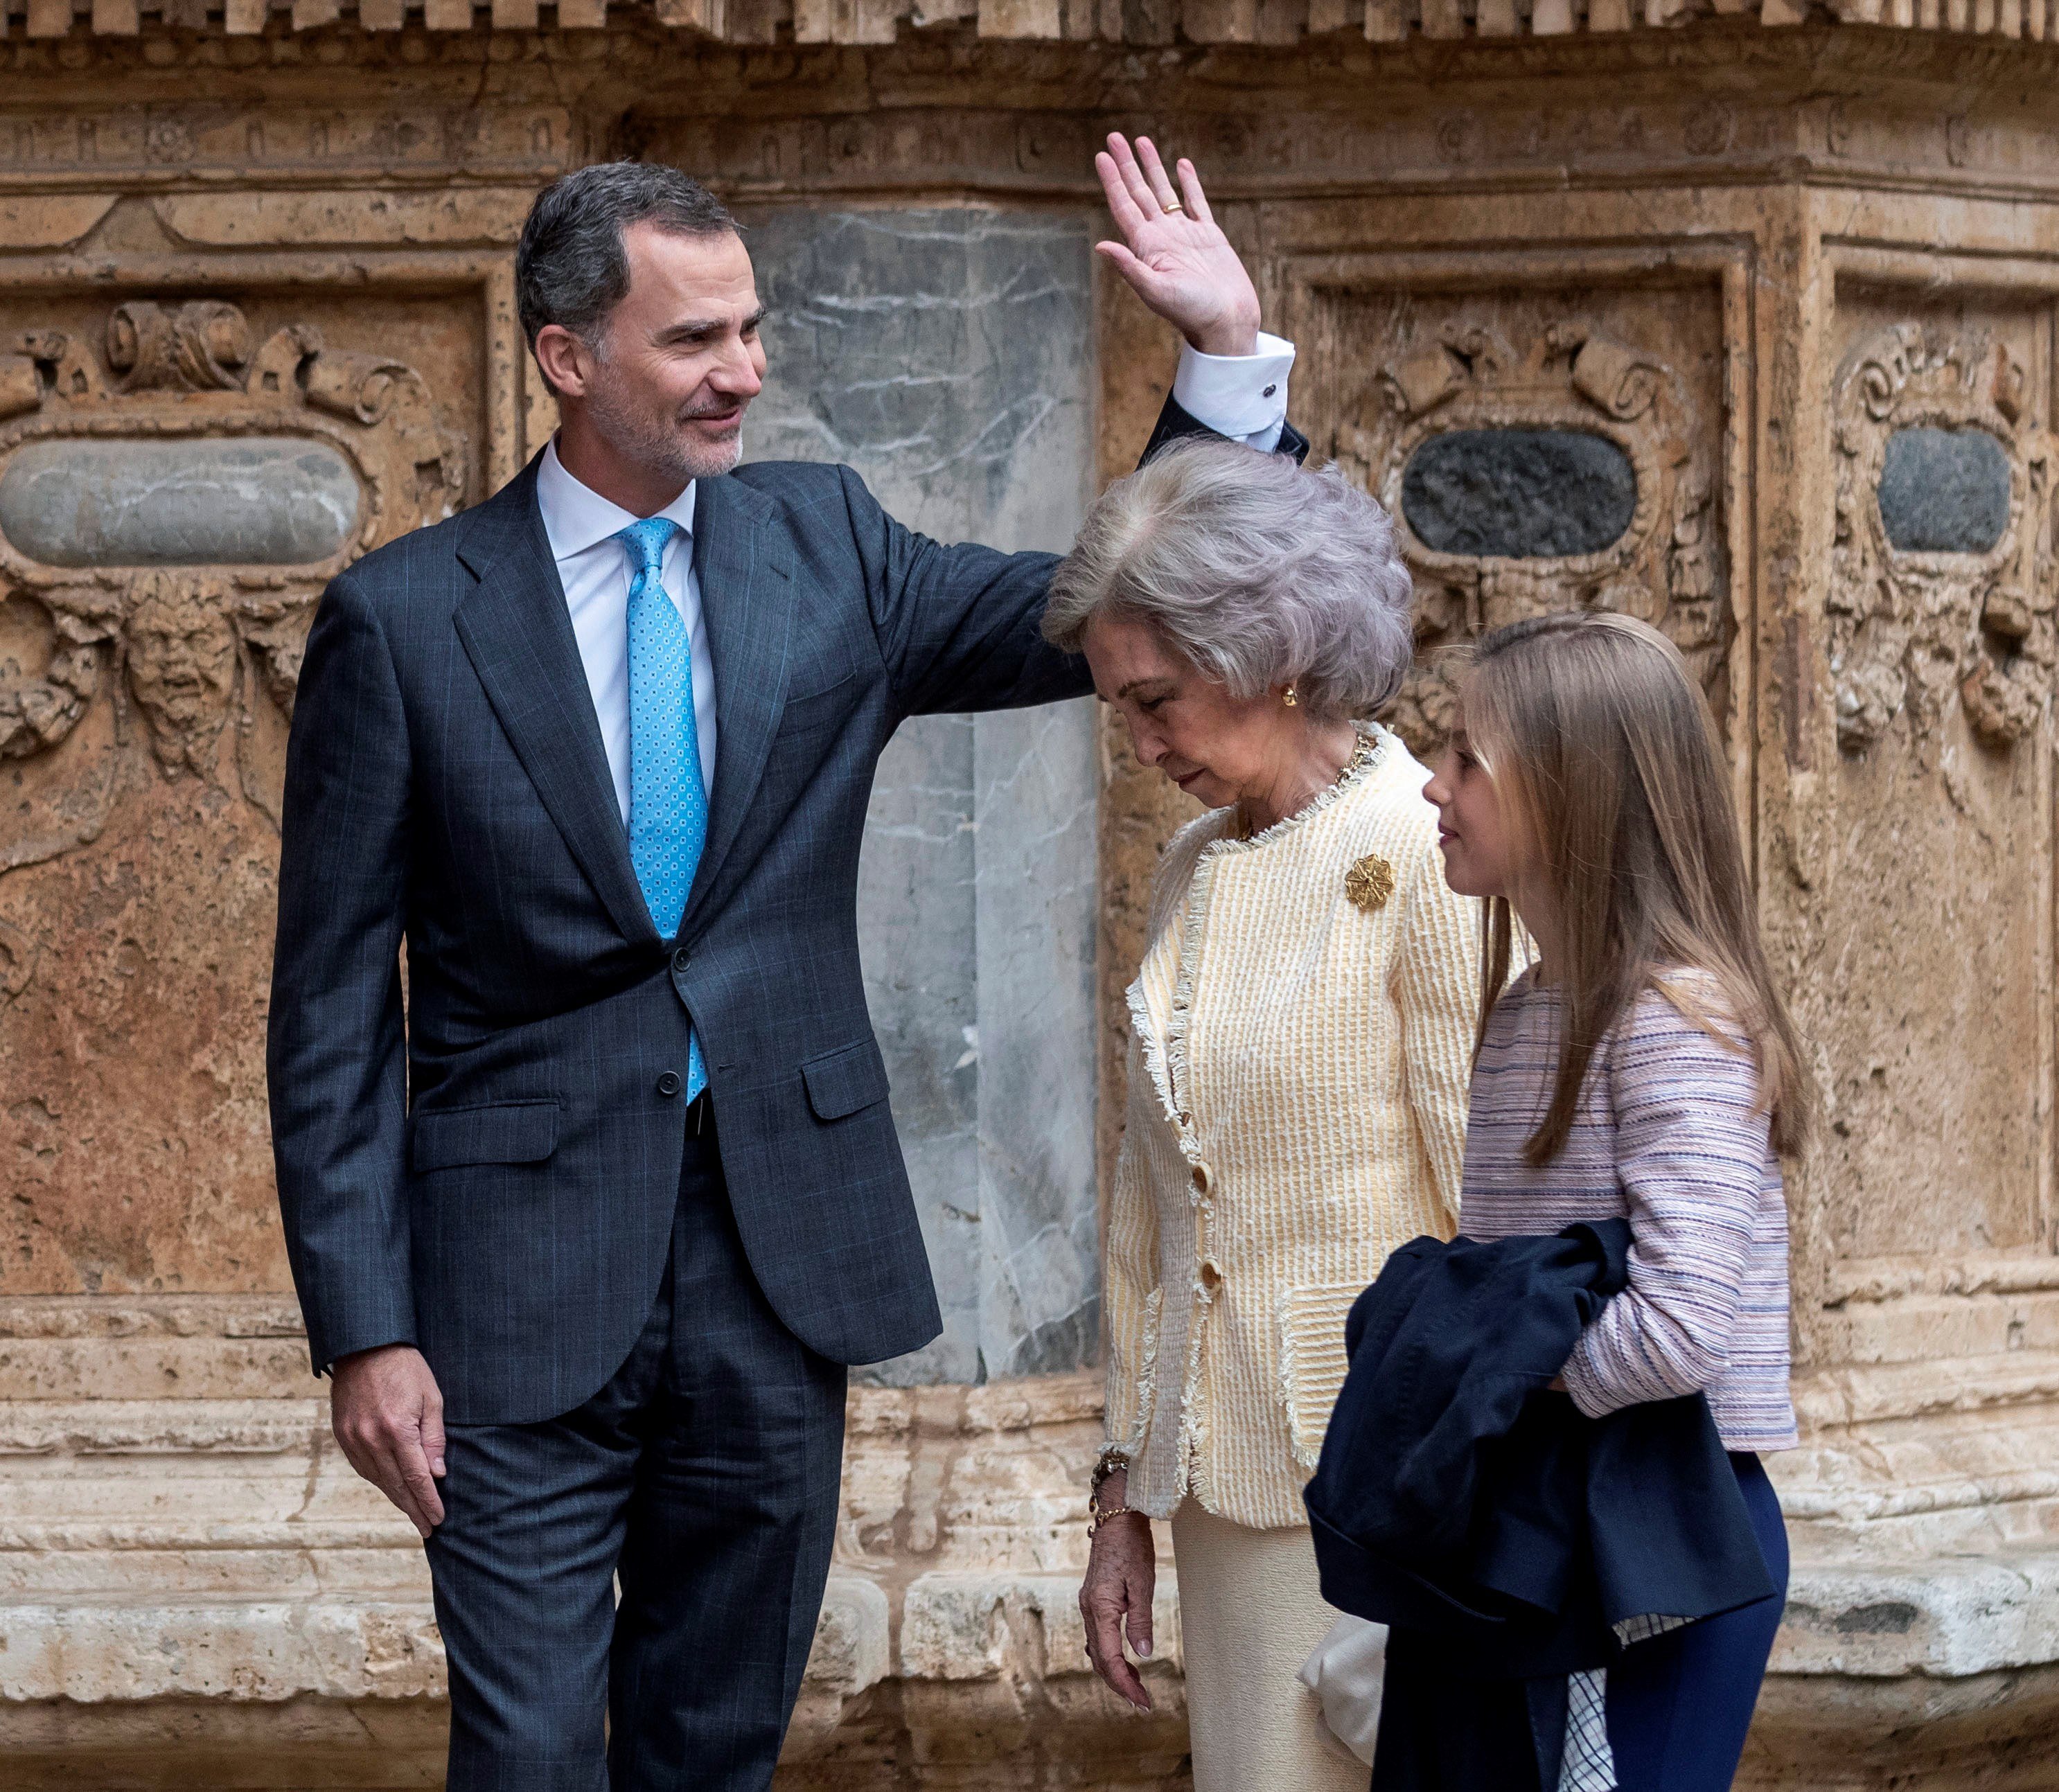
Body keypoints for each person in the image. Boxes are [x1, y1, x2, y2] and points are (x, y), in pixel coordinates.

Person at [265, 138, 1306, 1792]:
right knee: (529, 1748)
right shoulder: (404, 621)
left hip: (775, 1260)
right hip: (507, 1284)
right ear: (567, 355)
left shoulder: (826, 544)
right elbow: (325, 1011)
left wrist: (1225, 363)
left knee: (715, 1745)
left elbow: (1101, 606)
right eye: (693, 340)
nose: (742, 370)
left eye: (749, 329)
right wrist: (361, 1328)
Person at [1050, 439, 1485, 1791]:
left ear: (1273, 654)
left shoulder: (1429, 851)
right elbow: (1147, 1207)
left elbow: (1503, 1218)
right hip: (1223, 1487)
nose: (1141, 746)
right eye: (1122, 709)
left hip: (1392, 1485)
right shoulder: (1192, 861)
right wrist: (1121, 1491)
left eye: (1158, 699)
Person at [1421, 610, 1810, 1791]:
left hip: (1664, 1540)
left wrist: (1488, 1362)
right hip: (1553, 1519)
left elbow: (1683, 1325)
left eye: (1466, 760)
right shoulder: (1532, 1006)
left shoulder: (1675, 1021)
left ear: (1573, 791)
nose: (1433, 786)